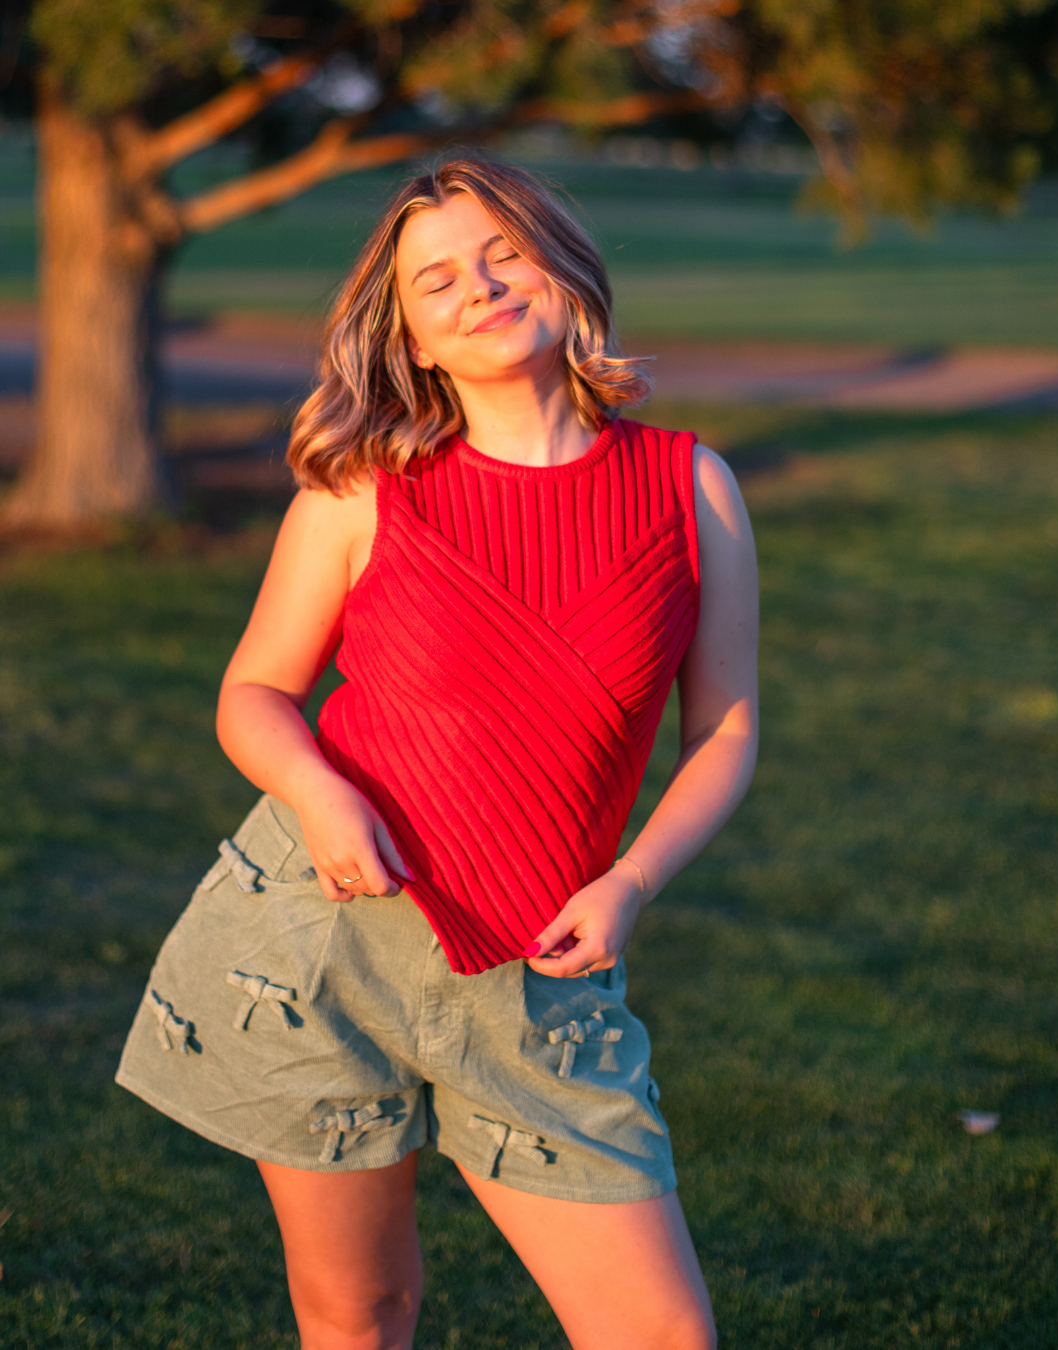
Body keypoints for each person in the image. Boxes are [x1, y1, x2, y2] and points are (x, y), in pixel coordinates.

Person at [117, 155, 758, 1350]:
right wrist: (312, 791)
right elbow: (253, 691)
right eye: (435, 281)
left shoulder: (692, 487)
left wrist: (631, 882)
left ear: (565, 266)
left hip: (544, 973)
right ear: (408, 337)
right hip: (322, 943)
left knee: (661, 1334)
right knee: (362, 1311)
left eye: (501, 252)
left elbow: (726, 727)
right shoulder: (366, 493)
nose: (477, 287)